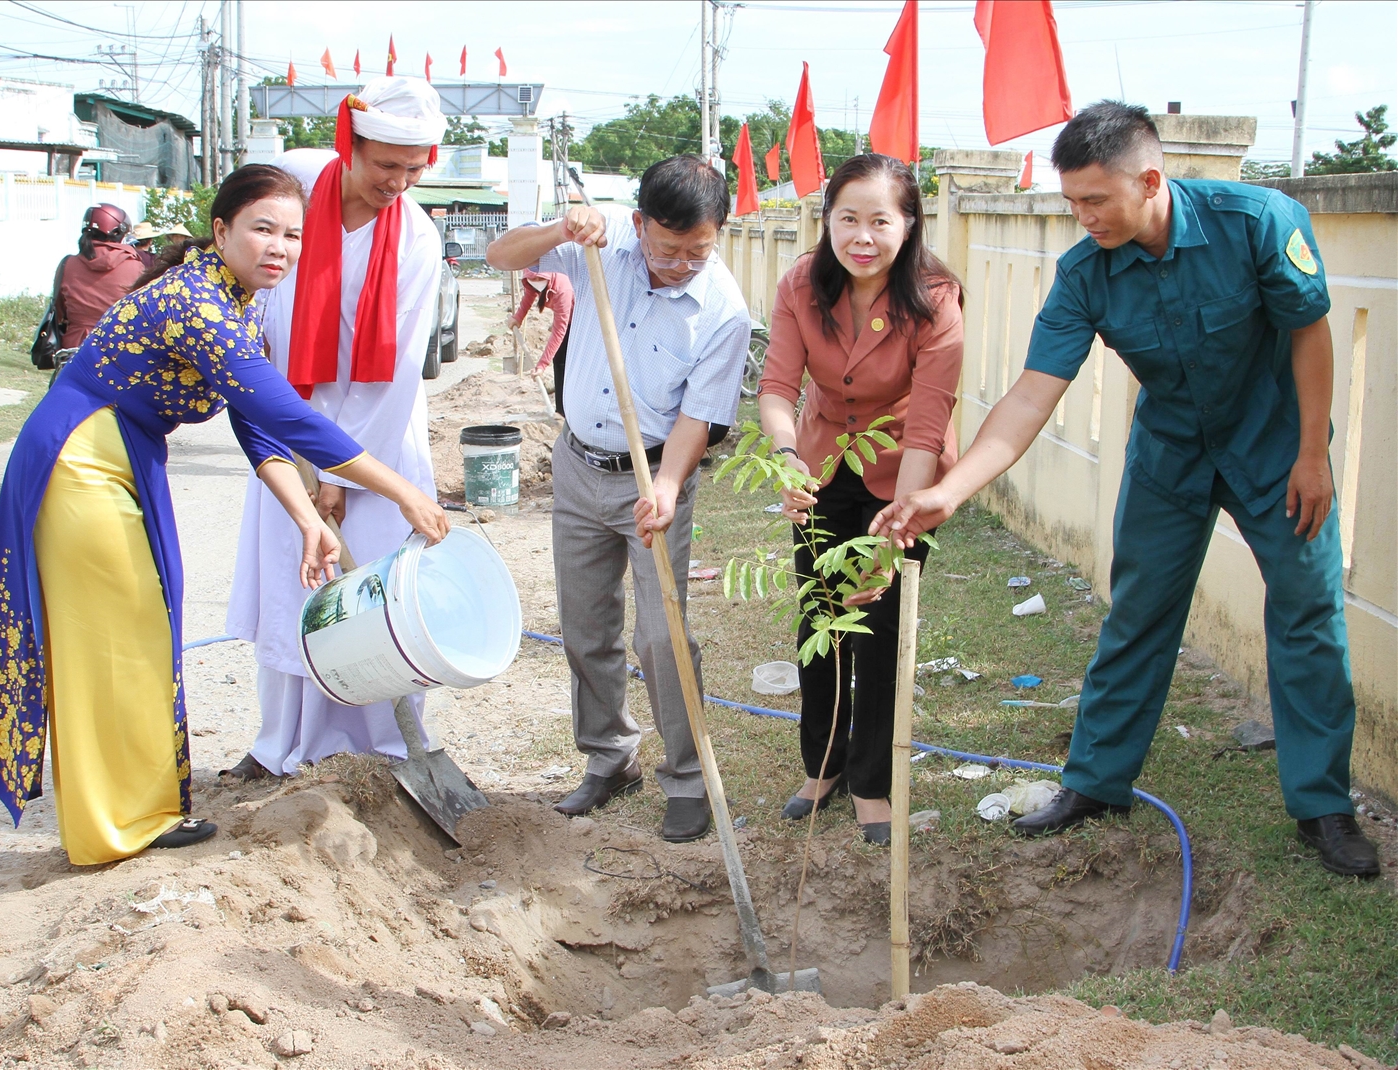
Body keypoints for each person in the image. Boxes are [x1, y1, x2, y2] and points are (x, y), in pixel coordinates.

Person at [876, 101, 1379, 878]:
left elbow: (1310, 332)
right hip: (1171, 455)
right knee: (1138, 609)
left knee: (1308, 613)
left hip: (1276, 447)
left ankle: (1323, 806)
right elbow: (1030, 396)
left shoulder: (1259, 222)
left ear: (1150, 179)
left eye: (1095, 200)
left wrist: (1313, 454)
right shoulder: (1085, 273)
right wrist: (952, 491)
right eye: (1071, 202)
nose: (1082, 218)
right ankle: (1097, 784)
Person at [0, 165, 449, 867]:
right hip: (80, 455)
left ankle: (144, 810)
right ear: (222, 231)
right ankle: (109, 829)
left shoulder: (240, 301)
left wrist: (307, 517)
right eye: (263, 229)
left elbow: (259, 430)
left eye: (294, 235)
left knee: (146, 631)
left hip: (122, 454)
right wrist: (401, 489)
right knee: (114, 635)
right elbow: (287, 416)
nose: (280, 247)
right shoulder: (198, 302)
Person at [486, 156, 752, 843]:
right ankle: (610, 757)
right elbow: (499, 253)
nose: (681, 263)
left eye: (700, 249)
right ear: (639, 225)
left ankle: (688, 779)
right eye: (668, 248)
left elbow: (701, 414)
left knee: (662, 635)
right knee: (585, 625)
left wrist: (666, 486)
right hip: (577, 466)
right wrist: (559, 229)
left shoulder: (723, 310)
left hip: (656, 474)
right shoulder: (597, 255)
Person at [225, 75, 448, 780]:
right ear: (350, 143)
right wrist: (309, 466)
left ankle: (384, 749)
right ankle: (281, 745)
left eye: (414, 170)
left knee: (375, 598)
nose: (398, 183)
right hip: (285, 424)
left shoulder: (416, 236)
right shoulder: (290, 185)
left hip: (379, 445)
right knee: (297, 587)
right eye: (386, 165)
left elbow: (402, 371)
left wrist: (346, 474)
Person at [758, 154, 963, 845]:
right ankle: (823, 764)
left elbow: (929, 425)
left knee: (879, 630)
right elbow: (778, 388)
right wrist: (788, 462)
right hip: (821, 469)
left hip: (904, 473)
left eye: (881, 220)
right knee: (820, 616)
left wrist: (893, 532)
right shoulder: (799, 286)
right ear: (827, 222)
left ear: (909, 226)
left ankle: (872, 781)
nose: (862, 237)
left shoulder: (936, 300)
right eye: (848, 219)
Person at [54, 204, 142, 348]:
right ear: (117, 233)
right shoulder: (135, 266)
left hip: (75, 346)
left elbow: (59, 310)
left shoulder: (67, 264)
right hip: (118, 346)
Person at [510, 267, 574, 415]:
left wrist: (542, 365)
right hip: (568, 321)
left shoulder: (562, 289)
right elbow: (529, 296)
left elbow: (559, 331)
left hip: (581, 321)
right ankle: (561, 410)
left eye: (540, 279)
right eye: (534, 279)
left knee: (566, 361)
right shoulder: (534, 283)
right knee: (559, 361)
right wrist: (518, 317)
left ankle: (567, 411)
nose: (537, 282)